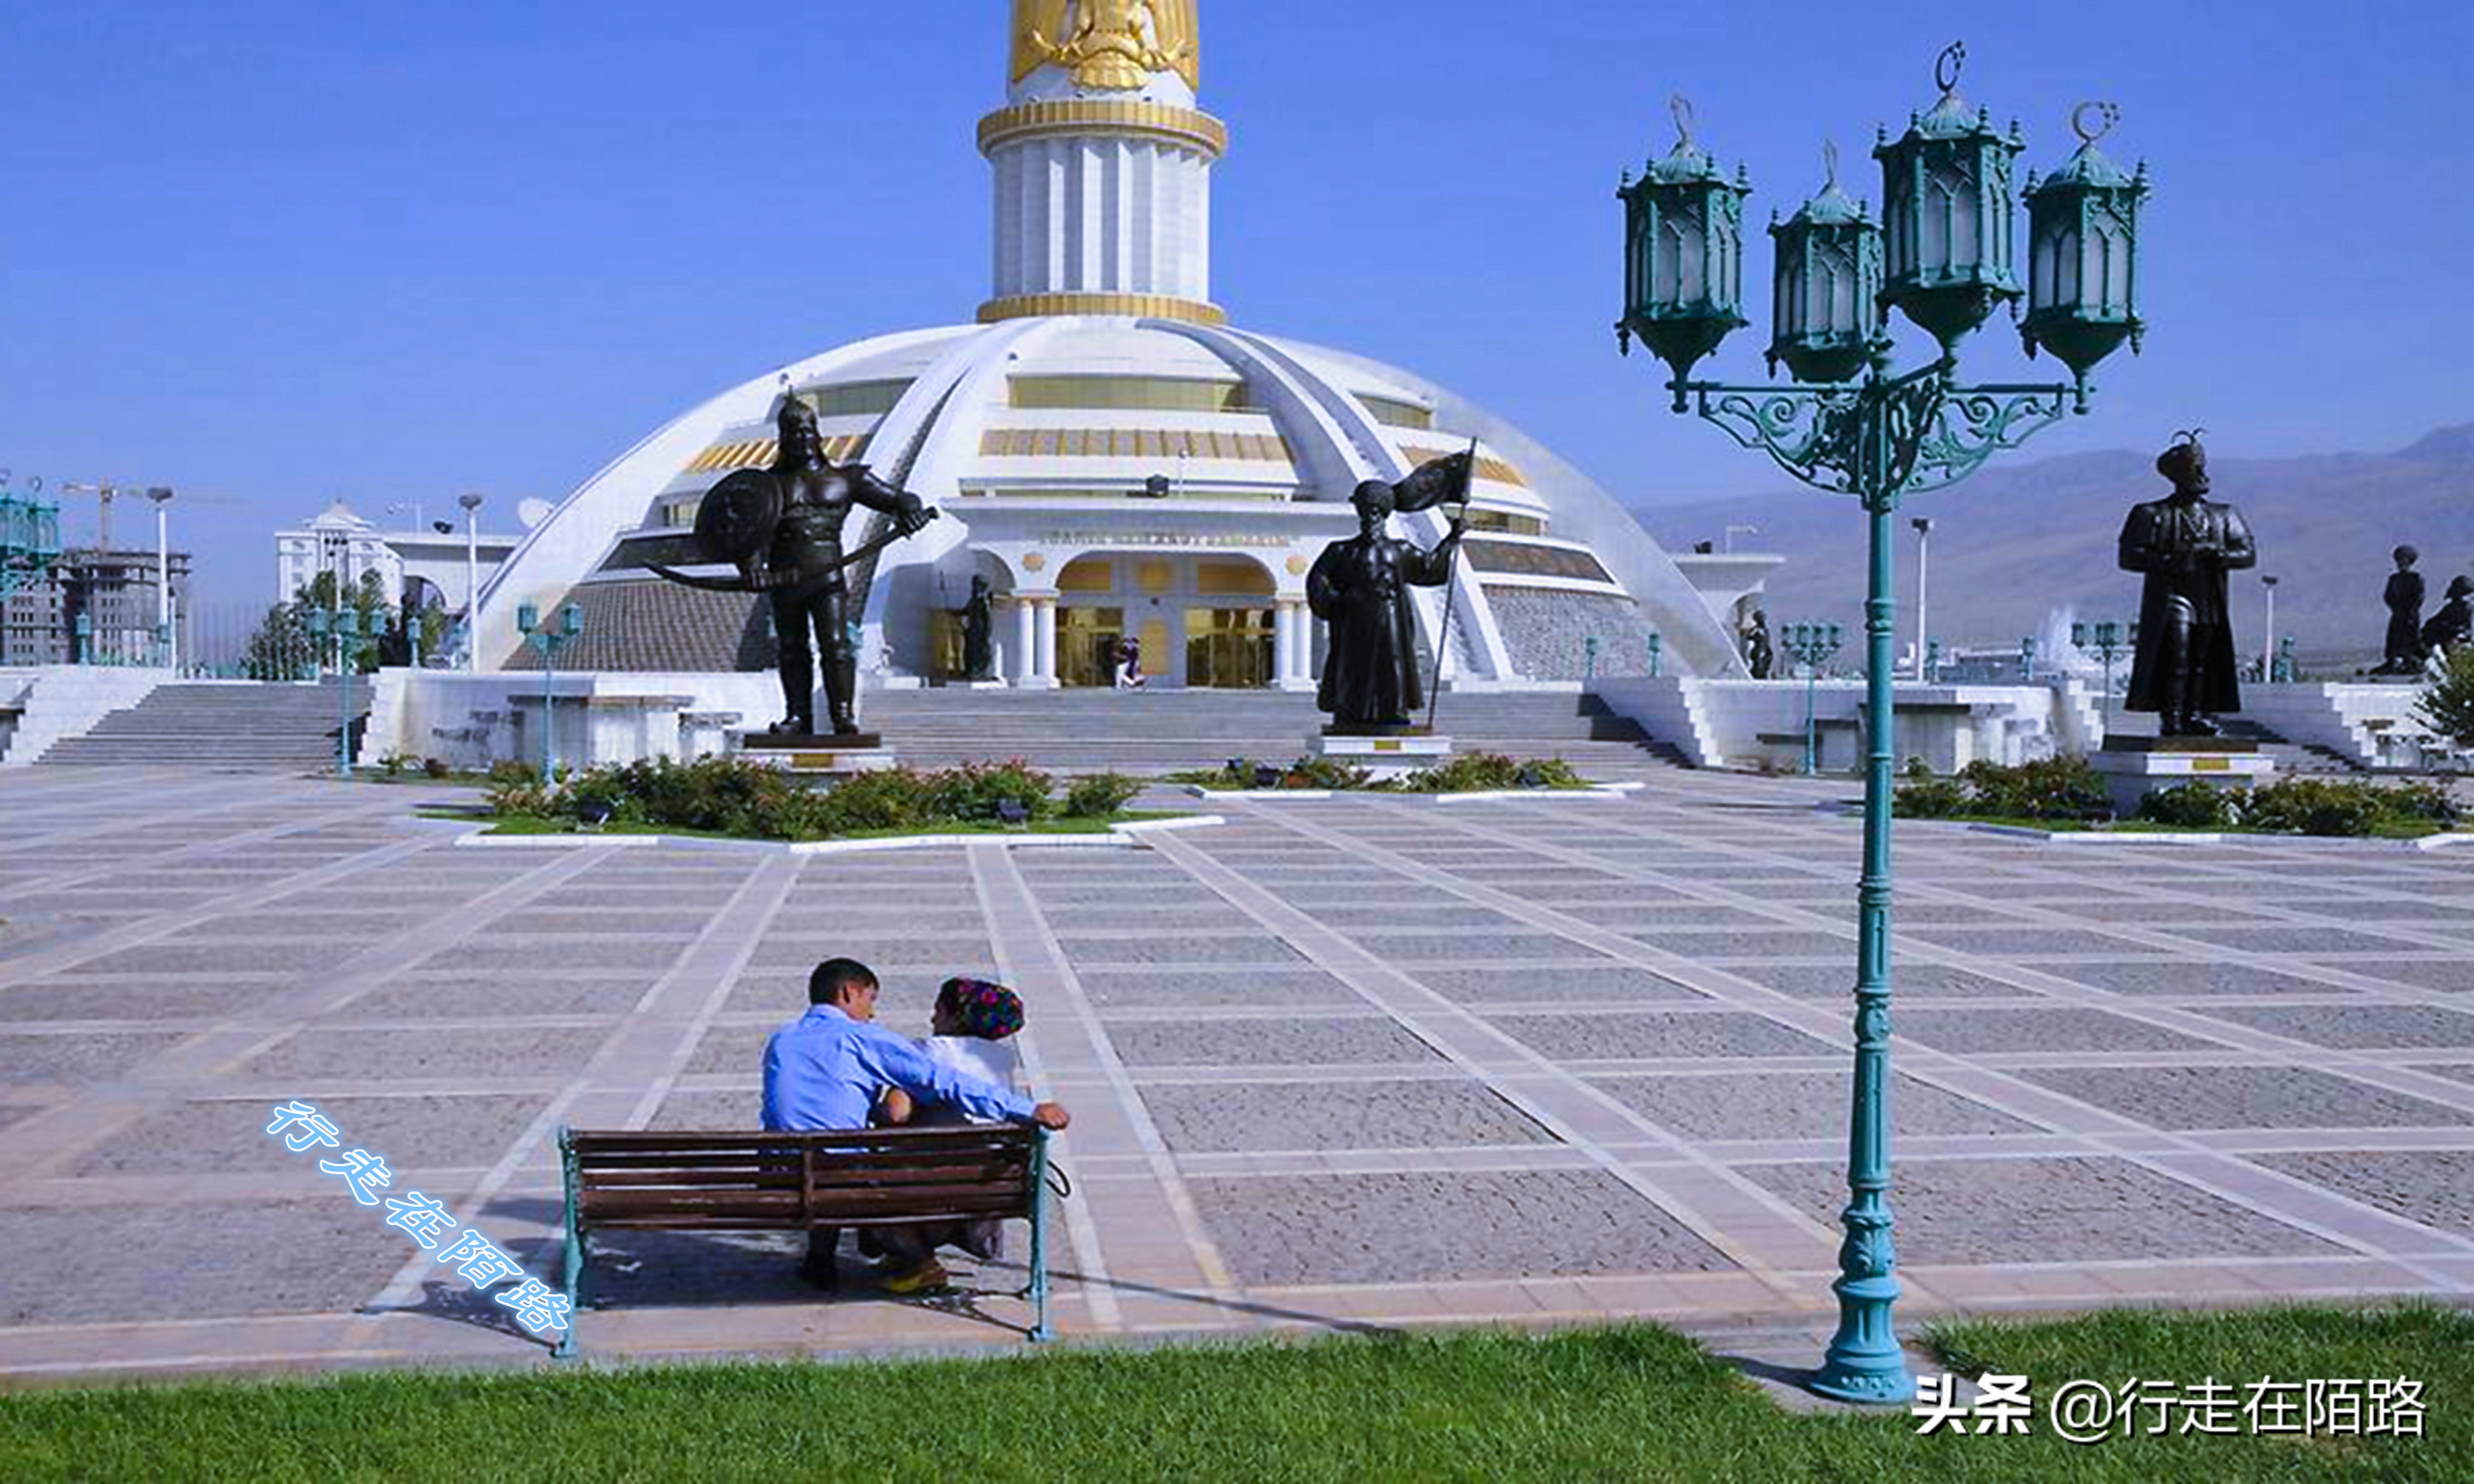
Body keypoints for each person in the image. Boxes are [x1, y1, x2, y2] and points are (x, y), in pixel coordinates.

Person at [761, 958, 1068, 1292]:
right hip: (842, 1176)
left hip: (784, 1178)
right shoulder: (861, 1038)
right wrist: (1026, 1109)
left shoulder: (782, 1040)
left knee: (825, 1158)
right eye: (871, 999)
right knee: (849, 1164)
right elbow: (944, 1081)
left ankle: (820, 1259)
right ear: (849, 993)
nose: (872, 1012)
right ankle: (919, 1262)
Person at [1306, 454, 1472, 730]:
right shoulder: (1341, 550)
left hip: (1389, 615)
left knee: (1392, 662)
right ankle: (1350, 714)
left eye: (1377, 511)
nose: (1371, 516)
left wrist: (1452, 539)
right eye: (1366, 510)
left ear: (1384, 515)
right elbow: (1317, 581)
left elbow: (1430, 569)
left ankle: (1392, 712)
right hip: (1353, 619)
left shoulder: (1399, 549)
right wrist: (1338, 603)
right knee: (1353, 666)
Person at [877, 977, 1031, 1274]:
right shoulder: (1003, 1058)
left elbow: (896, 1113)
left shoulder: (930, 1050)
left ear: (956, 1017)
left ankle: (918, 1260)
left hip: (931, 1177)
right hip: (989, 1183)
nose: (933, 1019)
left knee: (869, 1179)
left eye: (938, 1011)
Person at [2118, 431, 2257, 737]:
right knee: (2177, 656)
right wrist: (2175, 558)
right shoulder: (2151, 514)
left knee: (2201, 659)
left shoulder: (2224, 515)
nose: (2202, 475)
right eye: (2194, 470)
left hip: (2209, 599)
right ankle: (2172, 717)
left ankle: (2195, 715)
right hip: (2172, 596)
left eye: (2202, 468)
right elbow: (2129, 557)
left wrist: (2217, 553)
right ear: (2177, 476)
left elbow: (2248, 554)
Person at [2375, 545, 2426, 676]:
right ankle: (2392, 661)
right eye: (2399, 561)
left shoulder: (2416, 578)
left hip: (2410, 615)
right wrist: (2396, 608)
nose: (2401, 564)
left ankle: (2410, 661)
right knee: (2394, 637)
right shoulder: (2394, 579)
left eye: (2404, 561)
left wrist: (2411, 610)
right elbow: (2388, 596)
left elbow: (2419, 597)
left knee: (2410, 638)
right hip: (2398, 614)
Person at [2423, 575, 2474, 660]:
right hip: (2445, 634)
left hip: (2454, 635)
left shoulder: (2466, 608)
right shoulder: (2451, 608)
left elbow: (2465, 628)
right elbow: (2437, 620)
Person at [1743, 609, 1775, 680]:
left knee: (1762, 668)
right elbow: (1749, 637)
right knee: (1759, 668)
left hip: (1763, 651)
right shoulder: (1759, 630)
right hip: (1760, 651)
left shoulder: (1763, 630)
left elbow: (1749, 637)